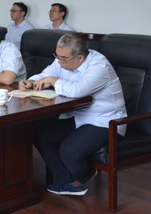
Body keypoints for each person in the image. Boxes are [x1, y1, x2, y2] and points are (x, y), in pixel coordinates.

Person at [19, 33, 126, 196]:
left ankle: (85, 173)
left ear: (80, 58)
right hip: (78, 115)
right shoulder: (63, 59)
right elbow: (45, 74)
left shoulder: (99, 67)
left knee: (68, 152)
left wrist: (53, 81)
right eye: (57, 56)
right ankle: (70, 182)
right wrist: (31, 82)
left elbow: (77, 91)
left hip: (105, 121)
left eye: (63, 59)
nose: (58, 62)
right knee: (40, 133)